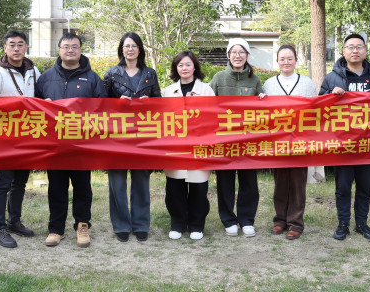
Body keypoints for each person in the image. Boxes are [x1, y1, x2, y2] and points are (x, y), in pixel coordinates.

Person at [35, 32, 106, 248]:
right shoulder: (46, 78)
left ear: (80, 50)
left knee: (83, 188)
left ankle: (82, 226)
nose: (70, 50)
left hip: (82, 145)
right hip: (54, 144)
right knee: (56, 188)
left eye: (75, 46)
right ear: (59, 50)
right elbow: (34, 108)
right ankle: (56, 229)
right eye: (66, 46)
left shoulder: (92, 78)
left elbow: (103, 109)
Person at [320, 33, 370, 241]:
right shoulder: (332, 78)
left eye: (359, 46)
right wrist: (330, 95)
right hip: (342, 143)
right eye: (350, 47)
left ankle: (362, 224)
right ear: (343, 51)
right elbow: (319, 106)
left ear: (365, 50)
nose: (355, 50)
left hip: (367, 142)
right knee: (343, 186)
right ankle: (343, 224)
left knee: (366, 186)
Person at [0, 30, 41, 248]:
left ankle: (14, 220)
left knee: (20, 182)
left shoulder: (34, 71)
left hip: (27, 135)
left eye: (20, 44)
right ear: (5, 48)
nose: (16, 48)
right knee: (3, 182)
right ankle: (0, 228)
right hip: (4, 137)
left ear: (26, 47)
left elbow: (40, 99)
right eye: (12, 44)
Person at [102, 33, 161, 242]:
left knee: (141, 181)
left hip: (143, 134)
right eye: (127, 46)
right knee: (117, 182)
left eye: (134, 46)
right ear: (121, 49)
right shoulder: (112, 73)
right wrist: (116, 102)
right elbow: (100, 103)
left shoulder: (150, 73)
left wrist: (150, 103)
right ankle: (121, 225)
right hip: (117, 135)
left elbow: (160, 104)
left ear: (140, 50)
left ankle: (141, 224)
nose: (130, 49)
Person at [209, 38, 265, 237]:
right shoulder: (219, 78)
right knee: (225, 181)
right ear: (228, 55)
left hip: (248, 141)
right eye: (234, 52)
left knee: (249, 182)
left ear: (247, 55)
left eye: (242, 52)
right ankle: (228, 220)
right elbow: (206, 104)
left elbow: (265, 108)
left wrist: (263, 99)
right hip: (224, 140)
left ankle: (247, 220)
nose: (238, 56)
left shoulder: (254, 80)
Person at [262, 44, 318, 240]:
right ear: (277, 61)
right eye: (282, 59)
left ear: (296, 60)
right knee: (280, 181)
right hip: (277, 140)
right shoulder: (269, 84)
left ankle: (295, 222)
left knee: (297, 182)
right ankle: (280, 220)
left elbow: (315, 110)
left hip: (300, 140)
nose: (286, 62)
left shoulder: (307, 83)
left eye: (289, 58)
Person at [162, 51, 214, 241]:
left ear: (195, 67)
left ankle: (196, 225)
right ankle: (177, 223)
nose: (184, 68)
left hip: (199, 146)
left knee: (199, 188)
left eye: (188, 64)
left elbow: (213, 118)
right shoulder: (168, 91)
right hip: (175, 147)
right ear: (176, 68)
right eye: (180, 65)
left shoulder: (206, 90)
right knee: (175, 187)